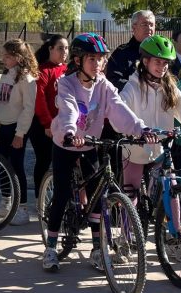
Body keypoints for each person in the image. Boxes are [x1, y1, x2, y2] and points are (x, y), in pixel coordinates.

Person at [45, 33, 150, 272]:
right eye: (92, 58)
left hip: (91, 143)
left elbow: (119, 109)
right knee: (61, 193)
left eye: (101, 59)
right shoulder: (66, 82)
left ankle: (96, 250)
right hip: (66, 142)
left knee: (98, 195)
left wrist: (140, 129)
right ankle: (50, 247)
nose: (98, 64)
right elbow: (69, 109)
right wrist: (71, 132)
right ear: (79, 60)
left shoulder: (103, 84)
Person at [119, 35, 181, 265]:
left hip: (160, 148)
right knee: (131, 193)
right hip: (136, 148)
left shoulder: (169, 86)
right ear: (145, 62)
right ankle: (125, 239)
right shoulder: (132, 85)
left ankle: (175, 239)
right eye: (158, 62)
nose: (163, 67)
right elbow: (122, 110)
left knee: (173, 189)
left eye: (166, 63)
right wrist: (136, 130)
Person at [0, 39, 37, 224]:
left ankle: (22, 208)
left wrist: (20, 133)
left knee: (17, 167)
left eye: (7, 56)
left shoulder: (26, 78)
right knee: (2, 165)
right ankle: (5, 203)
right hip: (3, 126)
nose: (3, 59)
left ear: (18, 58)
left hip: (16, 127)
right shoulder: (6, 75)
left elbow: (29, 108)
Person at [29, 34, 68, 197]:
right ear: (50, 49)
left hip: (65, 125)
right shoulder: (42, 71)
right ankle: (41, 198)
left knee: (64, 164)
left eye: (66, 48)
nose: (64, 52)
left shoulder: (69, 70)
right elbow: (40, 100)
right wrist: (47, 124)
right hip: (43, 126)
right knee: (44, 161)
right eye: (60, 48)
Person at [106, 10, 157, 90]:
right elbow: (114, 80)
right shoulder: (122, 52)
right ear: (134, 27)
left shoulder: (159, 52)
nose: (149, 28)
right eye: (144, 24)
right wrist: (140, 89)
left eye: (151, 25)